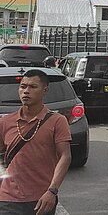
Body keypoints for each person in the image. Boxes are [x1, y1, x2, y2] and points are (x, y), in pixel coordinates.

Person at [0, 69, 72, 215]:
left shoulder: (57, 121)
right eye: (23, 86)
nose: (26, 91)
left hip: (41, 198)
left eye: (32, 87)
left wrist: (52, 191)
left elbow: (65, 156)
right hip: (8, 199)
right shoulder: (5, 122)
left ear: (45, 91)